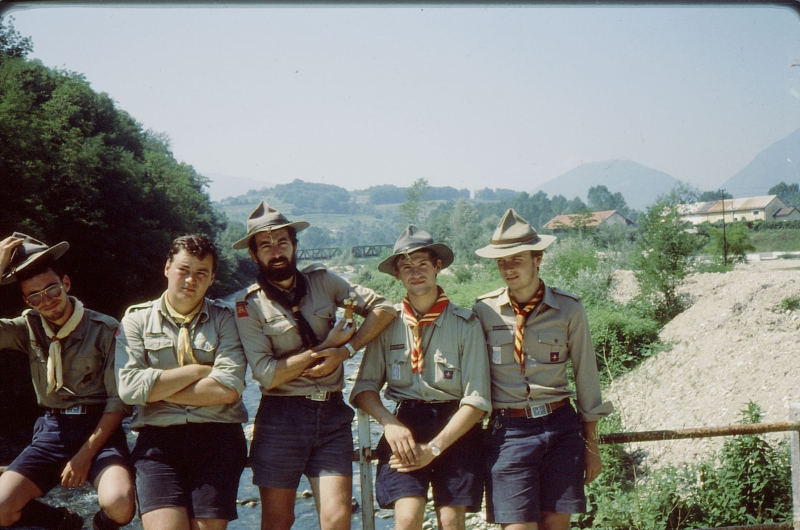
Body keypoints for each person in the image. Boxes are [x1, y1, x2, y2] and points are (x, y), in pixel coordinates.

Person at [232, 201, 396, 530]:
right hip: (280, 419)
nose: (275, 251)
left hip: (332, 417)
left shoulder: (324, 281)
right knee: (279, 521)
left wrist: (348, 349)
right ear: (254, 254)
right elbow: (267, 374)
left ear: (294, 245)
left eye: (282, 242)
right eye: (265, 245)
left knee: (337, 520)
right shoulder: (248, 306)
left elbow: (385, 307)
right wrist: (329, 346)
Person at [472, 209, 614, 530]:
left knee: (556, 525)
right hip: (509, 433)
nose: (508, 268)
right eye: (501, 261)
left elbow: (587, 379)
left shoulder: (569, 309)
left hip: (561, 429)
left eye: (516, 259)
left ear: (538, 258)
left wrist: (592, 449)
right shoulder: (483, 310)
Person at [351, 226, 491, 530]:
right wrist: (390, 424)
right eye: (406, 267)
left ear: (437, 267)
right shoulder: (386, 325)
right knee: (407, 517)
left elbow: (477, 400)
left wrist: (436, 448)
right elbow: (363, 388)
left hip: (456, 427)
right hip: (406, 426)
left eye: (422, 265)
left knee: (451, 521)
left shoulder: (466, 324)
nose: (415, 273)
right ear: (397, 275)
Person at [0, 233, 135, 530]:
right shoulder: (28, 328)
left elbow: (119, 401)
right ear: (26, 301)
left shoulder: (104, 329)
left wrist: (84, 456)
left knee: (121, 504)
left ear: (66, 284)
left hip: (100, 429)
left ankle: (98, 525)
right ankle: (63, 522)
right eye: (35, 297)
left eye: (52, 289)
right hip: (52, 430)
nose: (46, 301)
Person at [115, 234, 248, 530]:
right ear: (166, 268)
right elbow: (130, 389)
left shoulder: (226, 319)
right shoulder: (136, 320)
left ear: (212, 278)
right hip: (158, 443)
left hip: (219, 439)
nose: (191, 279)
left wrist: (157, 391)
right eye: (183, 269)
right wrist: (200, 370)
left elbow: (227, 390)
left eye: (201, 273)